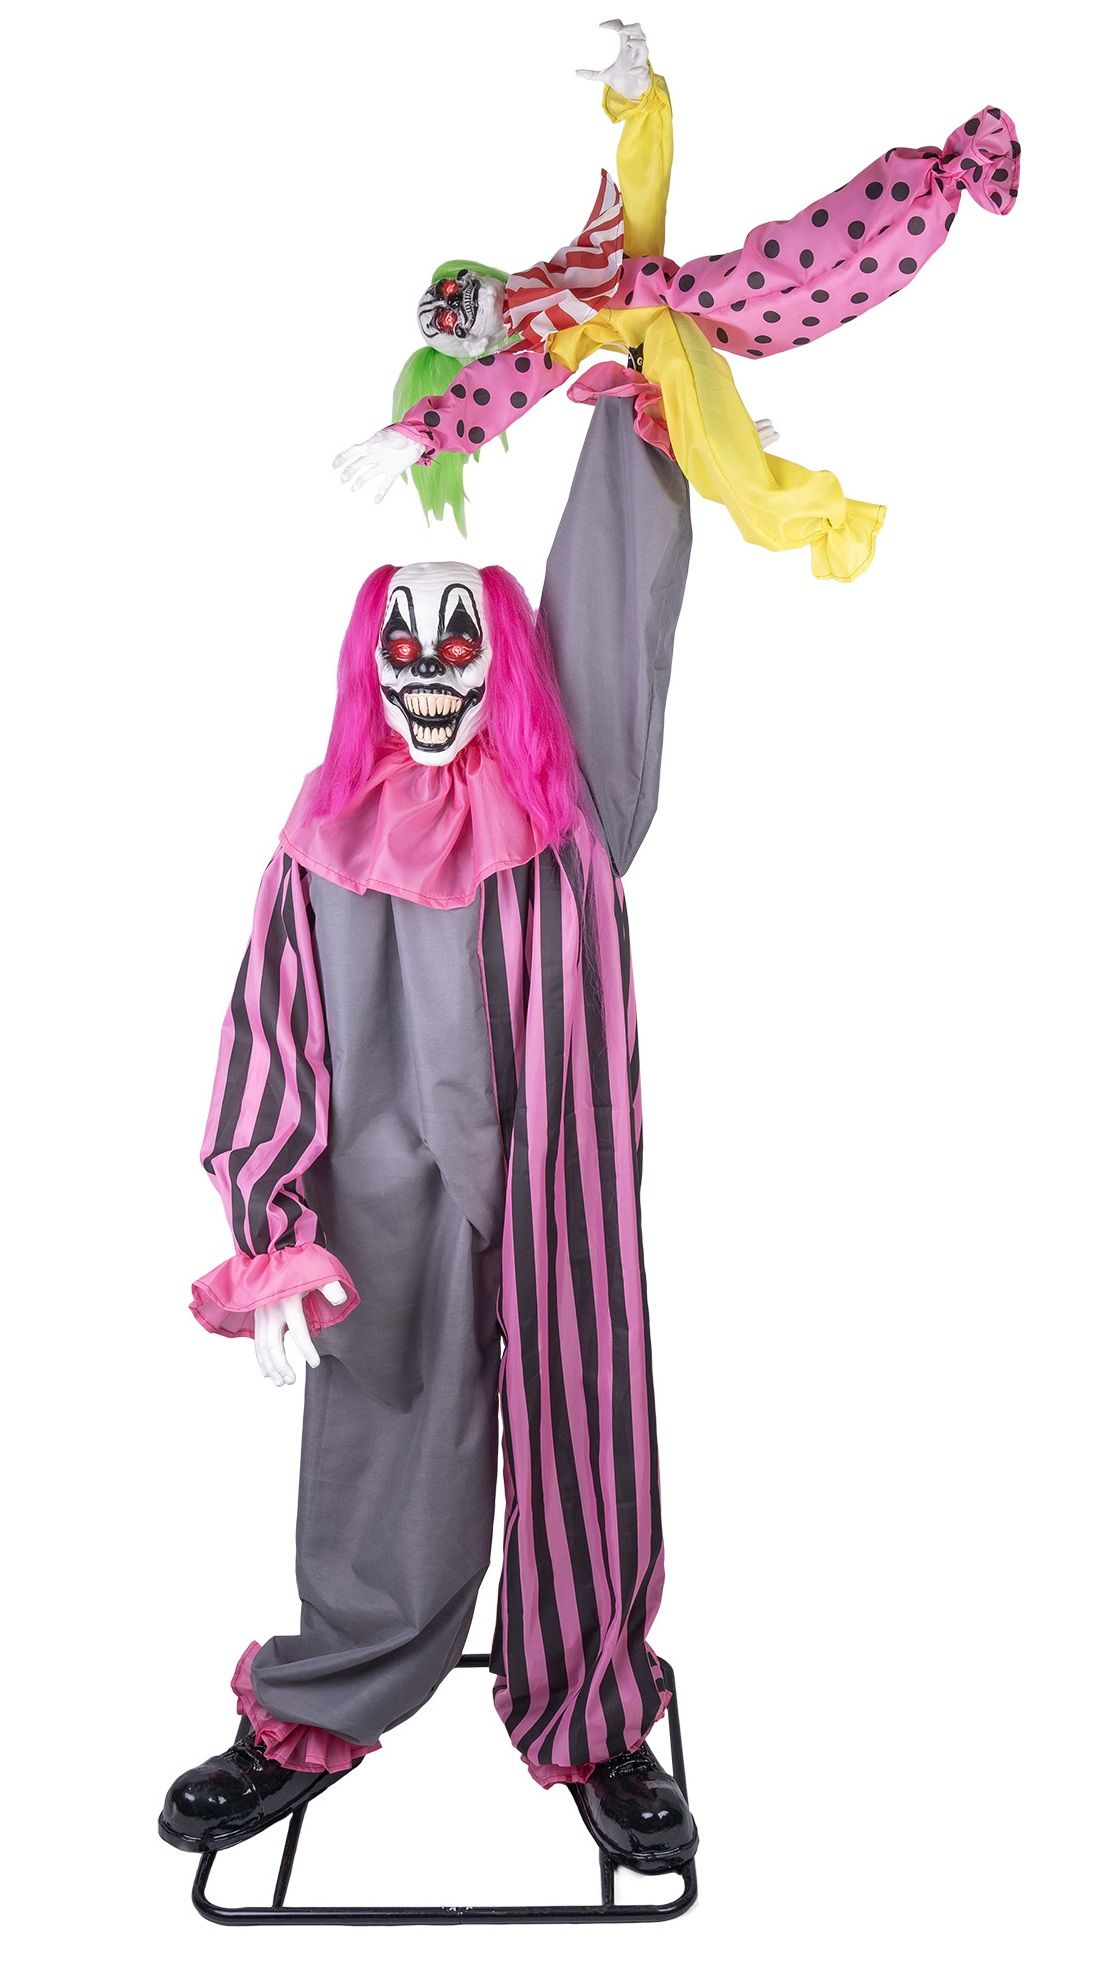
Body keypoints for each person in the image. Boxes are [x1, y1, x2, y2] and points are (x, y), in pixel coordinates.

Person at [158, 394, 700, 1875]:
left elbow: (613, 607)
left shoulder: (572, 798)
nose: (427, 669)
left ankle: (593, 1710)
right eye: (400, 644)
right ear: (364, 663)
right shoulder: (322, 837)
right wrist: (276, 1235)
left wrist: (643, 424)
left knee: (583, 1425)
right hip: (386, 1181)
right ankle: (322, 1702)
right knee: (383, 1417)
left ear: (505, 660)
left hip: (554, 1175)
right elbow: (272, 1028)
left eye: (460, 643)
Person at [335, 21, 1019, 582]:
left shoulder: (574, 266)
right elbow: (501, 389)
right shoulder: (545, 336)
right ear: (474, 346)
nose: (457, 305)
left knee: (803, 260)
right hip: (665, 339)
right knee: (727, 468)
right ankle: (826, 519)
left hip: (687, 295)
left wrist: (638, 102)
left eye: (449, 291)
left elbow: (643, 194)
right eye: (448, 322)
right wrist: (422, 431)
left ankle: (943, 178)